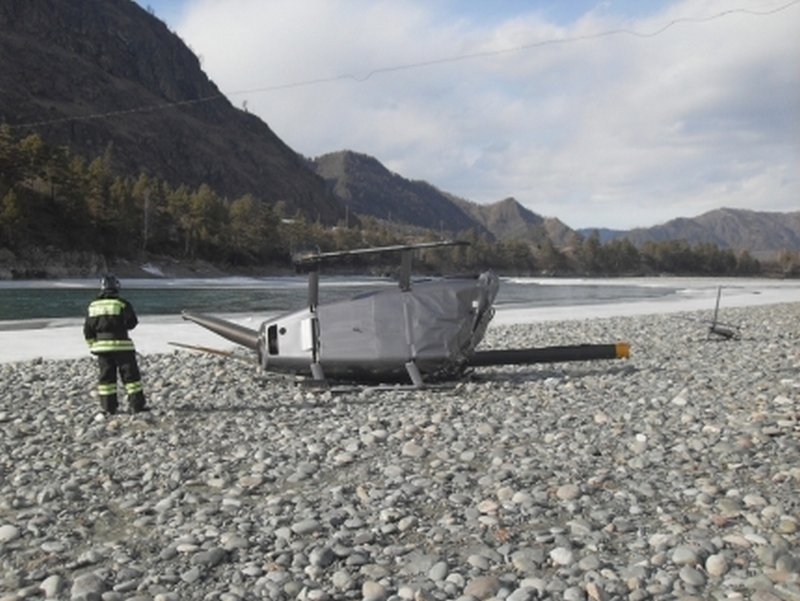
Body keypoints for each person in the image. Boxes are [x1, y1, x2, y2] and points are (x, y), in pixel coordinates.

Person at [83, 274, 148, 414]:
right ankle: (136, 405)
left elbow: (87, 329)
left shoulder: (93, 305)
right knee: (131, 378)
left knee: (106, 378)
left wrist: (93, 345)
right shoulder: (122, 303)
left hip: (102, 348)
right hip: (122, 346)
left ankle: (108, 407)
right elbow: (132, 323)